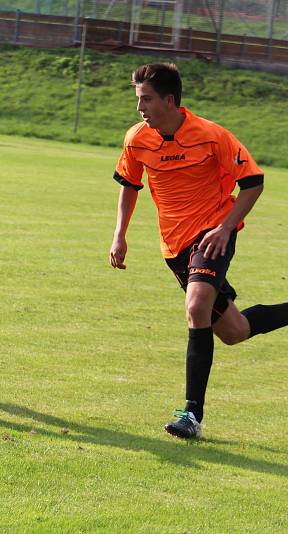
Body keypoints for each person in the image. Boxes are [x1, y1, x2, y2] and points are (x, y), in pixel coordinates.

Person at [109, 63, 288, 439]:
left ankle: (191, 415)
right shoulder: (137, 139)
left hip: (211, 234)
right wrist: (119, 235)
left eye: (146, 99)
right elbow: (129, 184)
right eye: (138, 98)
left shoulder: (211, 135)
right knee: (234, 331)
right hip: (174, 246)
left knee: (195, 307)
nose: (139, 107)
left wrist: (225, 227)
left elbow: (253, 181)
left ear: (169, 101)